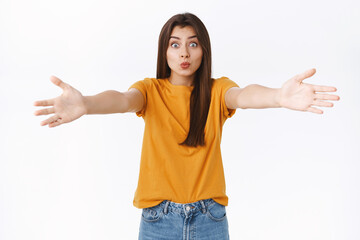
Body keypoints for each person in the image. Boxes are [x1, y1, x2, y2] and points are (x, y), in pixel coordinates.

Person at [34, 12, 340, 240]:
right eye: (175, 44)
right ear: (164, 52)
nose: (184, 53)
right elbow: (122, 100)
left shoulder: (217, 90)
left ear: (203, 50)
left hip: (210, 219)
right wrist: (86, 103)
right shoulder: (150, 91)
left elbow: (244, 95)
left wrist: (277, 96)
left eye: (193, 44)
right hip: (158, 220)